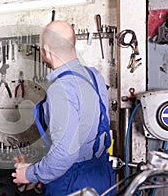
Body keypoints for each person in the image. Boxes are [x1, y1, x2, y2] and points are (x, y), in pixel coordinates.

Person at [11, 20, 115, 195]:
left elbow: (65, 154)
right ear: (73, 44)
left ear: (46, 52)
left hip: (72, 181)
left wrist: (30, 174)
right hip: (101, 175)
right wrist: (41, 173)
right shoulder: (94, 75)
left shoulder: (60, 89)